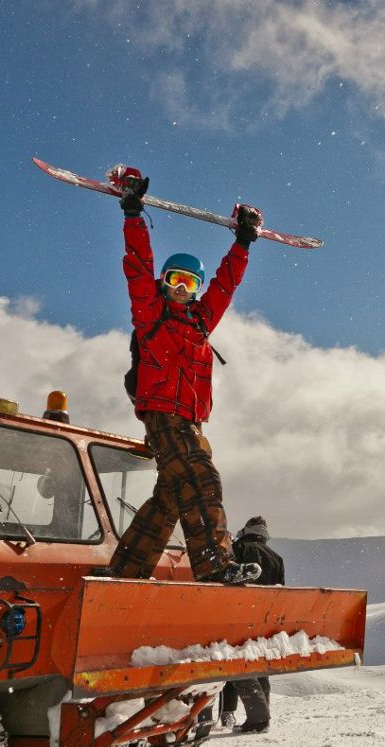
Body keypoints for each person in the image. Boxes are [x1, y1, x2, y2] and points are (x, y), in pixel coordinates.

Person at [107, 171, 263, 586]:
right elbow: (137, 267)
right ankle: (214, 564)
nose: (182, 288)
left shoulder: (200, 323)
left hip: (190, 420)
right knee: (203, 478)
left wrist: (243, 243)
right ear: (164, 283)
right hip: (163, 414)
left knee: (171, 498)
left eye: (189, 283)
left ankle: (125, 571)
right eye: (174, 280)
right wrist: (133, 213)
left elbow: (225, 286)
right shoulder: (150, 316)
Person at [220, 516, 286, 732]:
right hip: (263, 619)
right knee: (259, 663)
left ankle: (228, 713)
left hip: (235, 615)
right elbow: (280, 592)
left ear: (246, 530)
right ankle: (262, 715)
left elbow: (224, 577)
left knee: (232, 662)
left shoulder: (236, 548)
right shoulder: (277, 558)